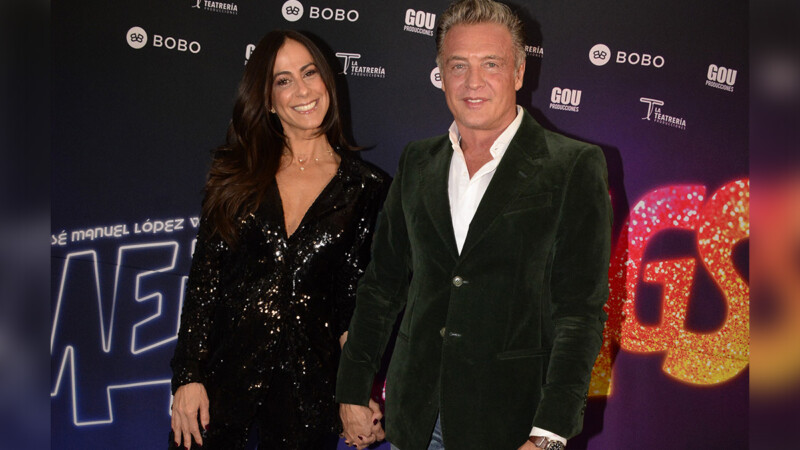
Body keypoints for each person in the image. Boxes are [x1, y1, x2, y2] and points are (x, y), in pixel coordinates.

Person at [337, 1, 612, 449]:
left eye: (491, 64)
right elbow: (382, 285)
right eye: (458, 65)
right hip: (415, 417)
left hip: (510, 425)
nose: (473, 82)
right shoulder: (417, 161)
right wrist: (351, 388)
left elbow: (579, 313)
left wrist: (549, 435)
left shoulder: (573, 166)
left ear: (519, 73)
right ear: (442, 74)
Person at [169, 30, 388, 450]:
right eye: (283, 80)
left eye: (310, 73)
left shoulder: (367, 189)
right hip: (218, 392)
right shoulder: (235, 172)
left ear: (328, 81)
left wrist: (356, 392)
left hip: (306, 400)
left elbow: (354, 309)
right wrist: (188, 375)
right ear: (268, 99)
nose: (302, 90)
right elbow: (204, 283)